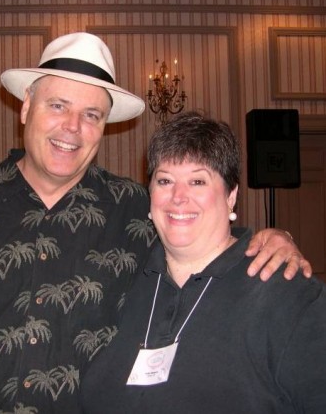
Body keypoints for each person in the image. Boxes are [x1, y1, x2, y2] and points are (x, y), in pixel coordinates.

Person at [0, 33, 310, 414]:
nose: (73, 127)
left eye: (91, 114)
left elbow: (202, 229)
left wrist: (277, 236)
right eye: (58, 105)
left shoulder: (137, 208)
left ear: (104, 126)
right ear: (26, 107)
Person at [80, 111, 326, 414]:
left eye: (198, 181)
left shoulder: (288, 296)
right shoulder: (125, 279)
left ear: (231, 195)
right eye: (165, 180)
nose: (178, 197)